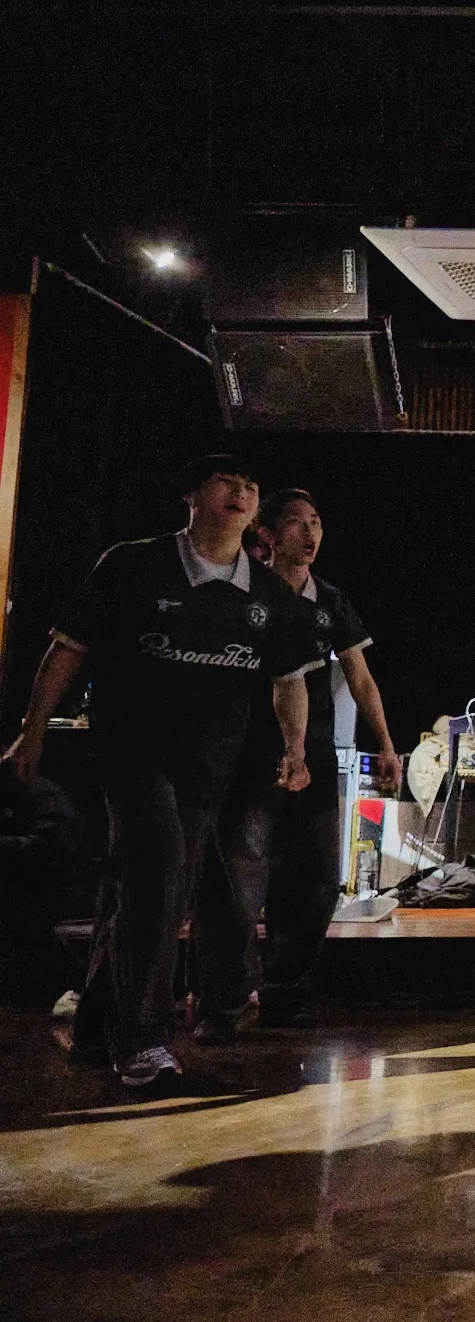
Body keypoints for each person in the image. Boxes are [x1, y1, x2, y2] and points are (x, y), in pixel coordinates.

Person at [1, 454, 319, 1087]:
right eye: (226, 481)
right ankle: (142, 1038)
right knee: (159, 878)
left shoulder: (267, 594)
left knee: (143, 891)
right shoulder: (133, 565)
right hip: (133, 753)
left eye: (250, 485)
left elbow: (290, 682)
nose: (241, 492)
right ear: (192, 496)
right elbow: (67, 651)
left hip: (209, 765)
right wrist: (31, 733)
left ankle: (96, 1026)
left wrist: (296, 749)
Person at [192, 488, 404, 1035]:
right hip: (246, 759)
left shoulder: (329, 599)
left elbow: (360, 677)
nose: (309, 533)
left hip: (316, 759)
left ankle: (287, 992)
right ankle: (224, 1002)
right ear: (266, 533)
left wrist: (385, 743)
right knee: (235, 887)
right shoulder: (244, 592)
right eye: (295, 522)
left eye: (316, 522)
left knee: (314, 884)